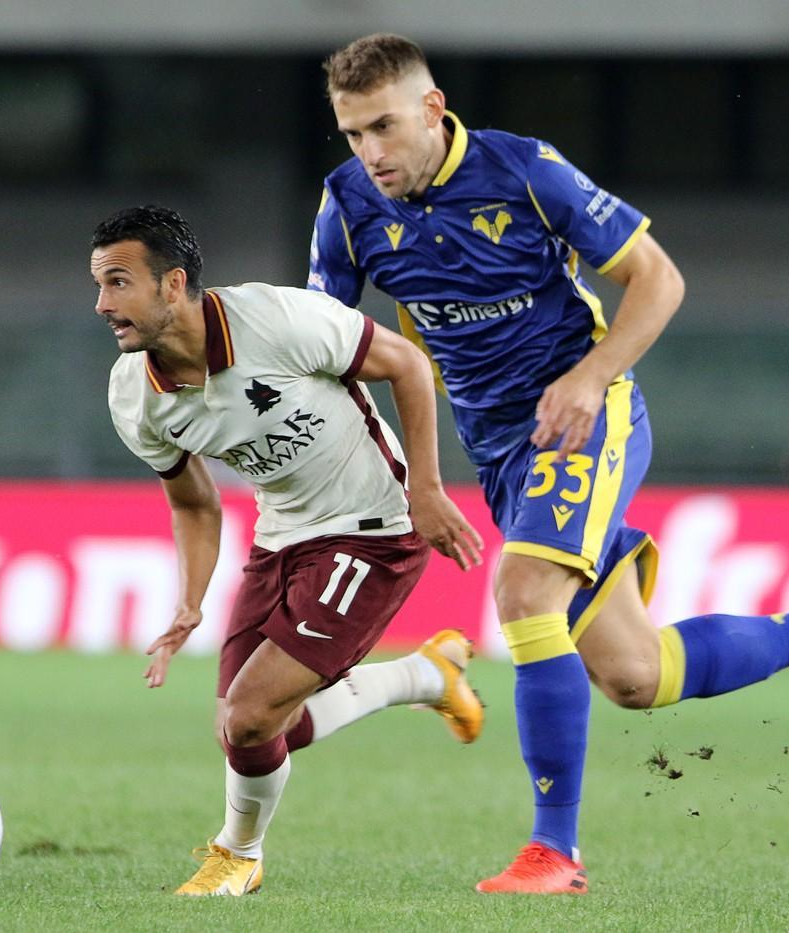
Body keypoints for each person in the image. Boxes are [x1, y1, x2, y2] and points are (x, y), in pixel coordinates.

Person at [308, 34, 789, 895]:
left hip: (587, 417)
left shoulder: (526, 171)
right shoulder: (346, 206)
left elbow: (657, 278)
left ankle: (554, 852)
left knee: (525, 595)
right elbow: (331, 350)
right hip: (498, 453)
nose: (369, 153)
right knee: (637, 675)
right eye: (352, 134)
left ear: (432, 108)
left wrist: (588, 377)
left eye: (382, 126)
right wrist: (403, 476)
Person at [93, 204, 486, 896]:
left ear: (173, 283)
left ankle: (237, 855)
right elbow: (193, 500)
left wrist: (426, 489)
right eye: (98, 285)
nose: (102, 304)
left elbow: (407, 366)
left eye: (119, 282)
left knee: (249, 717)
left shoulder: (276, 320)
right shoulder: (135, 396)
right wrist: (189, 602)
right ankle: (424, 677)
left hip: (375, 527)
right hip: (280, 536)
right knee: (247, 731)